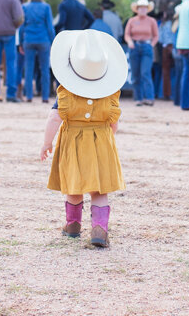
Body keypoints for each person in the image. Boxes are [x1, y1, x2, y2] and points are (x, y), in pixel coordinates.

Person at [40, 29, 128, 248]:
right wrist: (108, 139)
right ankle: (99, 230)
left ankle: (72, 225)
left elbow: (54, 118)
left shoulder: (65, 93)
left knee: (74, 187)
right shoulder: (110, 93)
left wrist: (46, 143)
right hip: (101, 142)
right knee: (100, 191)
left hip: (73, 143)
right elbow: (114, 122)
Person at [20, 0, 55, 103]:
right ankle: (45, 97)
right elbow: (50, 27)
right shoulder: (46, 7)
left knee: (29, 69)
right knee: (44, 69)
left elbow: (21, 27)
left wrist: (20, 42)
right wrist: (53, 42)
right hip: (43, 40)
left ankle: (29, 96)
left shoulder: (25, 7)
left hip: (28, 40)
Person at [124, 0, 159, 106]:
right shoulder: (132, 21)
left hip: (146, 47)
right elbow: (127, 34)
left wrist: (151, 45)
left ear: (147, 9)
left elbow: (156, 35)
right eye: (140, 8)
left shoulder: (151, 21)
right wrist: (130, 42)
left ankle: (149, 97)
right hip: (135, 47)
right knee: (135, 74)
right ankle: (138, 98)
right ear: (137, 9)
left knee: (145, 72)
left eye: (144, 8)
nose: (142, 10)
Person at [157, 9, 176, 100]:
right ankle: (173, 93)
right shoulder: (175, 24)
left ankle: (164, 93)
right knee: (176, 72)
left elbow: (160, 38)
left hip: (165, 47)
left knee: (165, 72)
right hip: (175, 47)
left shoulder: (163, 25)